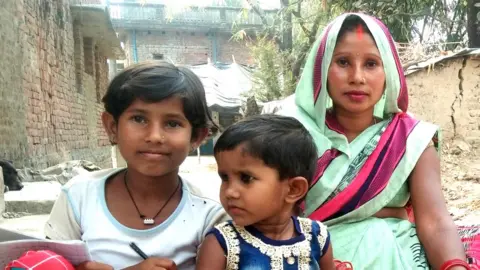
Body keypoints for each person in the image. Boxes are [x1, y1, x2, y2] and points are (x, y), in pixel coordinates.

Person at [279, 12, 480, 269]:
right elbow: (271, 211)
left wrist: (455, 267)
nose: (357, 77)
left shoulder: (411, 140)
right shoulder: (292, 134)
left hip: (394, 256)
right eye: (342, 62)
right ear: (321, 69)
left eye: (371, 64)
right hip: (311, 257)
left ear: (390, 73)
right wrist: (386, 211)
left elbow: (435, 221)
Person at [44, 61, 227, 270]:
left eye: (173, 123)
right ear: (112, 127)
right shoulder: (79, 197)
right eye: (139, 119)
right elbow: (44, 263)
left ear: (196, 136)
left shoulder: (210, 215)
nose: (155, 136)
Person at [196, 114, 337, 270]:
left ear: (293, 189)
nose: (230, 192)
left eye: (246, 178)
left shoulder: (317, 238)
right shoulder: (221, 244)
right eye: (225, 177)